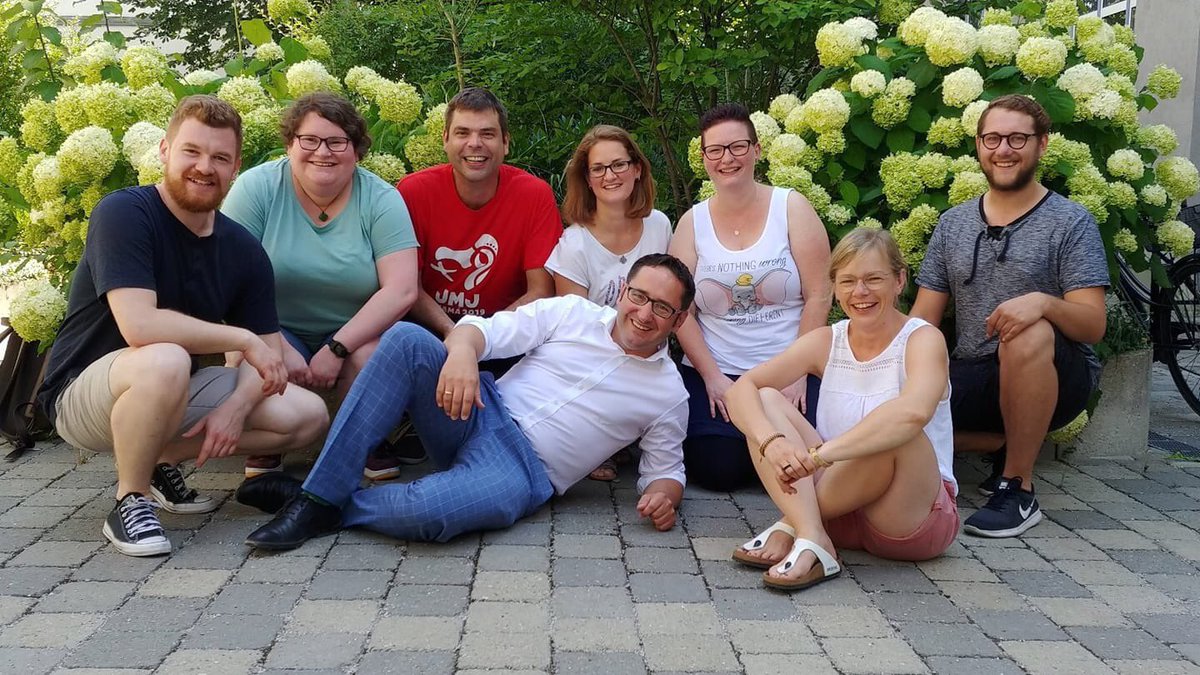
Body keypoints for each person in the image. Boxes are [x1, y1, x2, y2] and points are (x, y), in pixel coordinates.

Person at [35, 95, 329, 557]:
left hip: (167, 387)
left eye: (220, 158)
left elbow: (267, 354)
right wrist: (240, 338)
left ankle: (158, 461)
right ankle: (128, 501)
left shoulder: (243, 250)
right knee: (166, 356)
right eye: (191, 151)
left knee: (306, 414)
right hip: (82, 393)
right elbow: (139, 325)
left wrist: (236, 406)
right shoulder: (125, 213)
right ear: (164, 150)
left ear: (235, 169)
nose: (204, 167)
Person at [242, 254, 694, 550]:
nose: (643, 313)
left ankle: (317, 502)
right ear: (622, 292)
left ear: (678, 320)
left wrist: (662, 497)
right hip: (476, 410)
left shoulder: (669, 394)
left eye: (661, 307)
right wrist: (460, 352)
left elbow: (666, 470)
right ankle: (320, 492)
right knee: (405, 339)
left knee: (431, 514)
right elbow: (487, 331)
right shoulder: (572, 313)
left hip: (523, 471)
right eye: (638, 296)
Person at [911, 95, 1108, 538]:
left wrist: (1043, 303)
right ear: (979, 146)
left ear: (1041, 145)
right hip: (976, 371)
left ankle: (1017, 487)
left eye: (1018, 138)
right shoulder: (954, 224)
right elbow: (924, 319)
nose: (1004, 149)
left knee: (1028, 330)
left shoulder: (1071, 222)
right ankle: (1002, 443)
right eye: (993, 138)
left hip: (1057, 376)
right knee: (888, 401)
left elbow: (1093, 324)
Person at [725, 228, 958, 591]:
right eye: (847, 281)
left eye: (873, 279)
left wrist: (818, 458)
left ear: (899, 280)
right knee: (767, 398)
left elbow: (913, 413)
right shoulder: (826, 341)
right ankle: (814, 535)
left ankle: (793, 524)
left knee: (899, 432)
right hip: (839, 506)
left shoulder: (922, 339)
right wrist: (771, 443)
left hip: (906, 516)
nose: (859, 293)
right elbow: (742, 389)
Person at [222, 93, 419, 482]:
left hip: (353, 330)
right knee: (253, 354)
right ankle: (267, 440)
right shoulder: (256, 188)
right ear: (290, 144)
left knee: (377, 354)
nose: (322, 152)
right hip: (272, 324)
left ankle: (364, 439)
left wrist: (336, 348)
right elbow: (227, 282)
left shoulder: (381, 199)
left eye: (337, 142)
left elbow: (401, 290)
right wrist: (273, 343)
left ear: (357, 150)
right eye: (309, 140)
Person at [668, 103, 831, 491]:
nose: (728, 158)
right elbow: (681, 312)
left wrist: (798, 373)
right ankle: (768, 450)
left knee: (817, 452)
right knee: (715, 470)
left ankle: (769, 448)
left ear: (757, 150)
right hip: (720, 369)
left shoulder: (791, 207)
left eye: (738, 147)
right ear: (704, 159)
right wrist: (712, 377)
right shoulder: (692, 223)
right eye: (716, 150)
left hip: (787, 369)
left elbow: (819, 294)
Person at [546, 124, 672, 480]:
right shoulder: (574, 243)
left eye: (618, 165)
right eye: (598, 168)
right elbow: (575, 333)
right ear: (587, 179)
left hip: (649, 359)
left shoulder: (659, 226)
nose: (610, 175)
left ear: (636, 169)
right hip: (593, 364)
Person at [399, 86, 561, 332]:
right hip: (429, 332)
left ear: (505, 142)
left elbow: (542, 291)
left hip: (507, 333)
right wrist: (455, 335)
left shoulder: (534, 195)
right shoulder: (413, 192)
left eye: (487, 134)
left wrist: (482, 336)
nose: (474, 144)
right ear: (445, 140)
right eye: (462, 133)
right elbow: (406, 286)